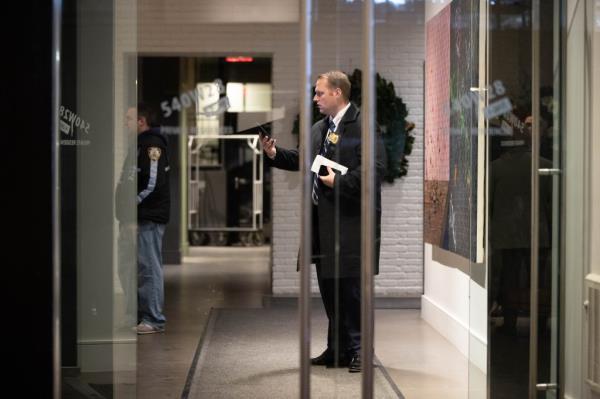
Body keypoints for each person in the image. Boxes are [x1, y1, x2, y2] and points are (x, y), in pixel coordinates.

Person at [261, 71, 384, 372]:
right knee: (330, 290)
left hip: (352, 225)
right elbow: (305, 160)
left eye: (320, 93)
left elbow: (373, 172)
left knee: (352, 292)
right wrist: (274, 153)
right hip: (322, 224)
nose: (315, 99)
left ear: (338, 93)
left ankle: (359, 351)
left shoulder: (364, 126)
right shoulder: (319, 128)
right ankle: (338, 349)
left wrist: (335, 183)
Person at [126, 103, 171, 335]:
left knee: (149, 267)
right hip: (144, 215)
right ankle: (147, 316)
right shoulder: (141, 144)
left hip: (150, 216)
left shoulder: (152, 145)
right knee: (144, 266)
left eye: (129, 118)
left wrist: (130, 203)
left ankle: (154, 319)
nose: (125, 123)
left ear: (141, 121)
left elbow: (152, 183)